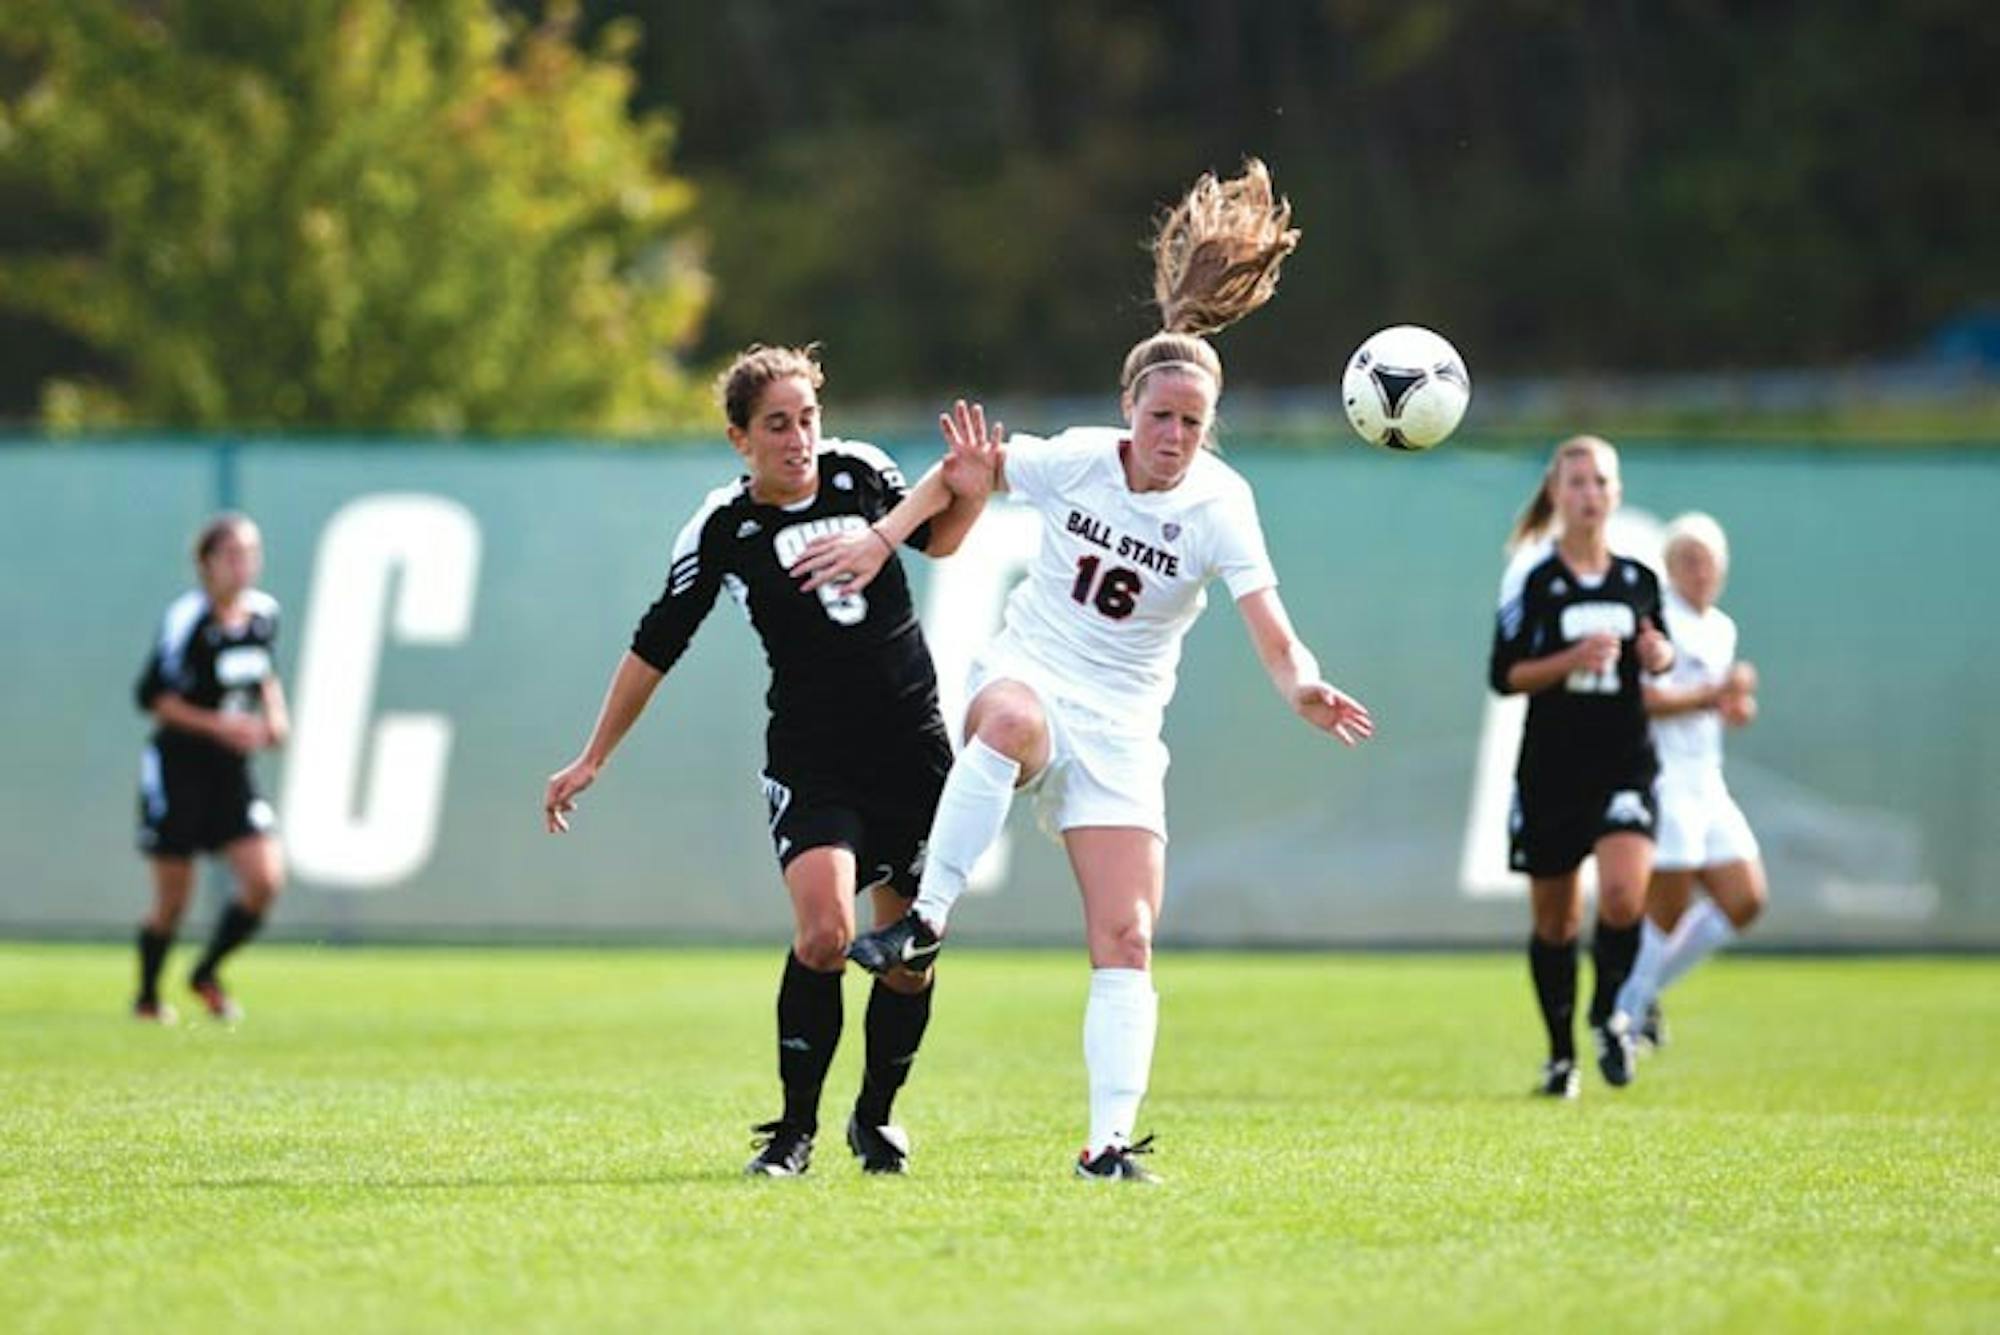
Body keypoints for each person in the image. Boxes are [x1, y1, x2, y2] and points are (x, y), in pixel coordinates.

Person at [795, 161, 1375, 1183]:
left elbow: (1274, 634)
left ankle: (1106, 1144)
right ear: (1127, 410)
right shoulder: (1075, 458)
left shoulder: (1220, 505)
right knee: (1010, 724)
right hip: (1028, 672)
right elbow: (966, 472)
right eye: (1160, 418)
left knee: (1128, 937)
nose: (1174, 437)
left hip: (1121, 727)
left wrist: (1303, 688)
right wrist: (886, 537)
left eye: (1192, 423)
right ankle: (924, 921)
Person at [541, 345, 995, 1178]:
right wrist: (592, 756)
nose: (798, 439)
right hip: (815, 755)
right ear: (740, 439)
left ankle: (875, 1117)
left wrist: (968, 489)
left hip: (912, 748)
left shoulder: (862, 472)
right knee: (825, 934)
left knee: (910, 958)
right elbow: (657, 643)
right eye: (777, 425)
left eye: (807, 418)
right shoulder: (724, 527)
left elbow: (942, 538)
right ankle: (793, 1132)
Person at [1488, 436, 1674, 1097]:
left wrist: (1658, 658)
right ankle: (1560, 1056)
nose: (1590, 494)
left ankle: (1608, 1013)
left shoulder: (1639, 579)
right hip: (1553, 767)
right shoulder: (1535, 579)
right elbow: (1504, 674)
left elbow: (1659, 651)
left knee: (1624, 895)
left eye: (1600, 482)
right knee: (1556, 924)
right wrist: (1571, 659)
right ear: (1556, 493)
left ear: (1615, 493)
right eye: (1577, 482)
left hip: (1625, 759)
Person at [1612, 512, 1764, 1045]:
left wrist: (1732, 706)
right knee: (1668, 905)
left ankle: (1635, 994)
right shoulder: (1659, 621)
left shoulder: (1721, 627)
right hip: (1665, 777)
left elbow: (1711, 703)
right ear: (1670, 568)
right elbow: (1643, 699)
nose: (1700, 572)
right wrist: (1713, 695)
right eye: (1688, 561)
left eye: (1708, 562)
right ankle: (1625, 1019)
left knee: (1745, 899)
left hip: (1707, 779)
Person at [133, 513, 289, 1024]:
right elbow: (152, 697)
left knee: (265, 879)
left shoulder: (263, 614)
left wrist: (275, 717)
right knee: (174, 900)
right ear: (206, 563)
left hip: (230, 772)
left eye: (251, 554)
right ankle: (148, 998)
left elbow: (263, 674)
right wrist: (218, 725)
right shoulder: (187, 619)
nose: (244, 565)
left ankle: (205, 972)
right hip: (179, 767)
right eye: (232, 555)